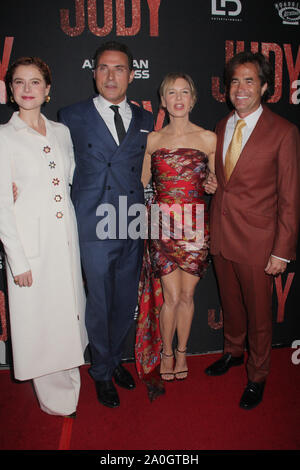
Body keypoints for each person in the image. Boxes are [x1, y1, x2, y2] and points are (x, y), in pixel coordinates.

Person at [59, 41, 154, 408]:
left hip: (131, 219)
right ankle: (100, 371)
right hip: (93, 218)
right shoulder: (70, 116)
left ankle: (114, 360)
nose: (111, 76)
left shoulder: (146, 120)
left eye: (119, 69)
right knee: (98, 301)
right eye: (103, 68)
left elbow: (154, 170)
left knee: (124, 298)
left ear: (132, 74)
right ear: (94, 73)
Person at [206, 51, 300, 410]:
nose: (240, 88)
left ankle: (258, 374)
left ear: (264, 86)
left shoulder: (284, 132)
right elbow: (227, 180)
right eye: (234, 81)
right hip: (223, 235)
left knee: (260, 316)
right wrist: (215, 183)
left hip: (260, 243)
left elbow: (290, 197)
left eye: (249, 81)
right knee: (231, 304)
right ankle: (232, 351)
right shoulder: (221, 125)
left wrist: (281, 251)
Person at [0, 57, 88, 417]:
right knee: (40, 320)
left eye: (35, 82)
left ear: (48, 90)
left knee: (67, 313)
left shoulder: (61, 131)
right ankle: (56, 400)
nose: (26, 89)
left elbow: (66, 180)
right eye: (18, 82)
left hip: (64, 238)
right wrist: (17, 259)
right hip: (30, 244)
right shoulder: (4, 137)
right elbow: (3, 205)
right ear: (10, 90)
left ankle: (71, 383)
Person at [135, 72, 217, 387]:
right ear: (163, 101)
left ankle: (183, 351)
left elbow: (219, 182)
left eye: (185, 92)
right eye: (172, 92)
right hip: (162, 226)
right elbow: (141, 184)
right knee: (170, 297)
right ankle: (166, 353)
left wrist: (214, 184)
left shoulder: (208, 138)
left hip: (196, 226)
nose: (179, 98)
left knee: (187, 295)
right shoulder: (153, 140)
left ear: (193, 99)